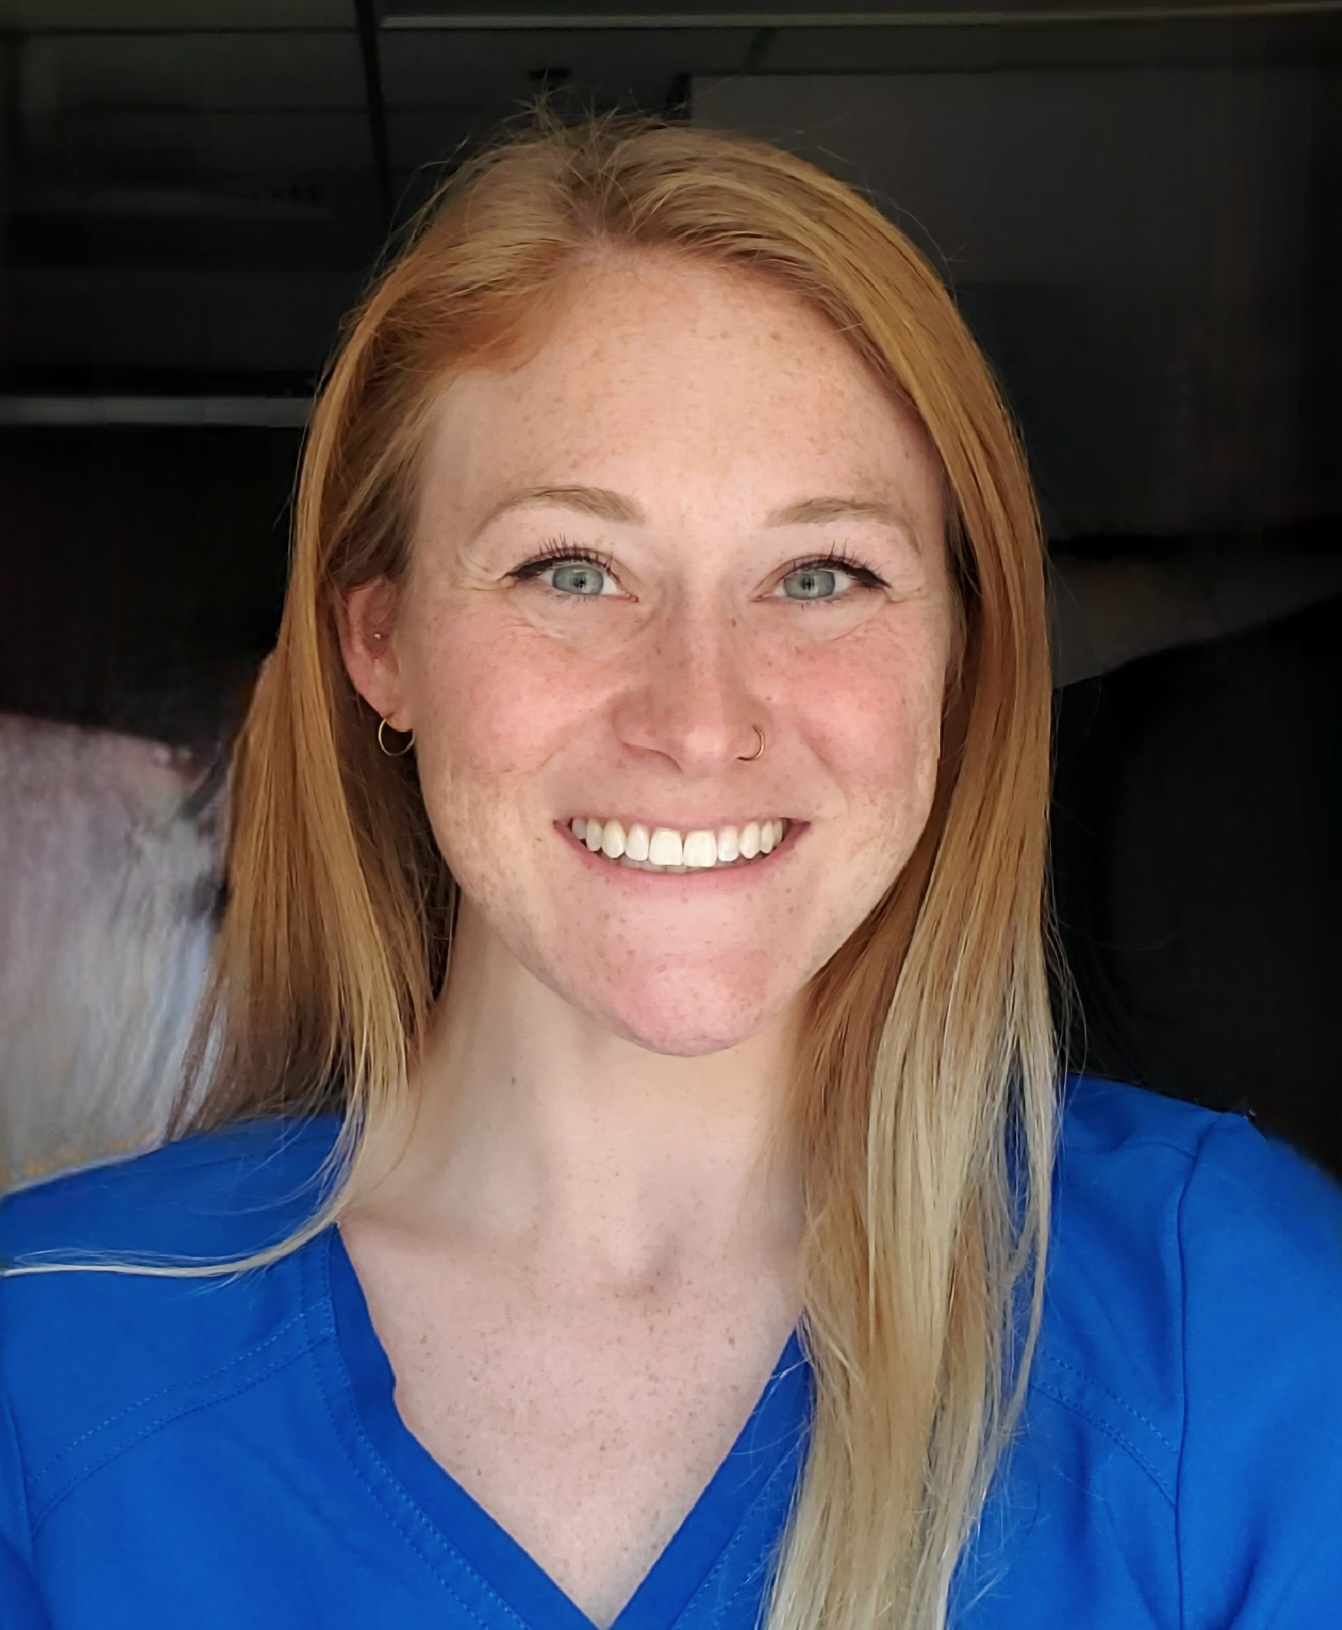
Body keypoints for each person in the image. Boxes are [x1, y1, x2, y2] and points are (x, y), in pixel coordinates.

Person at [2, 106, 1340, 1630]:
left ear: (960, 658)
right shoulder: (43, 1373)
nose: (699, 717)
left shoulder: (1234, 1329)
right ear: (378, 642)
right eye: (569, 569)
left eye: (820, 574)